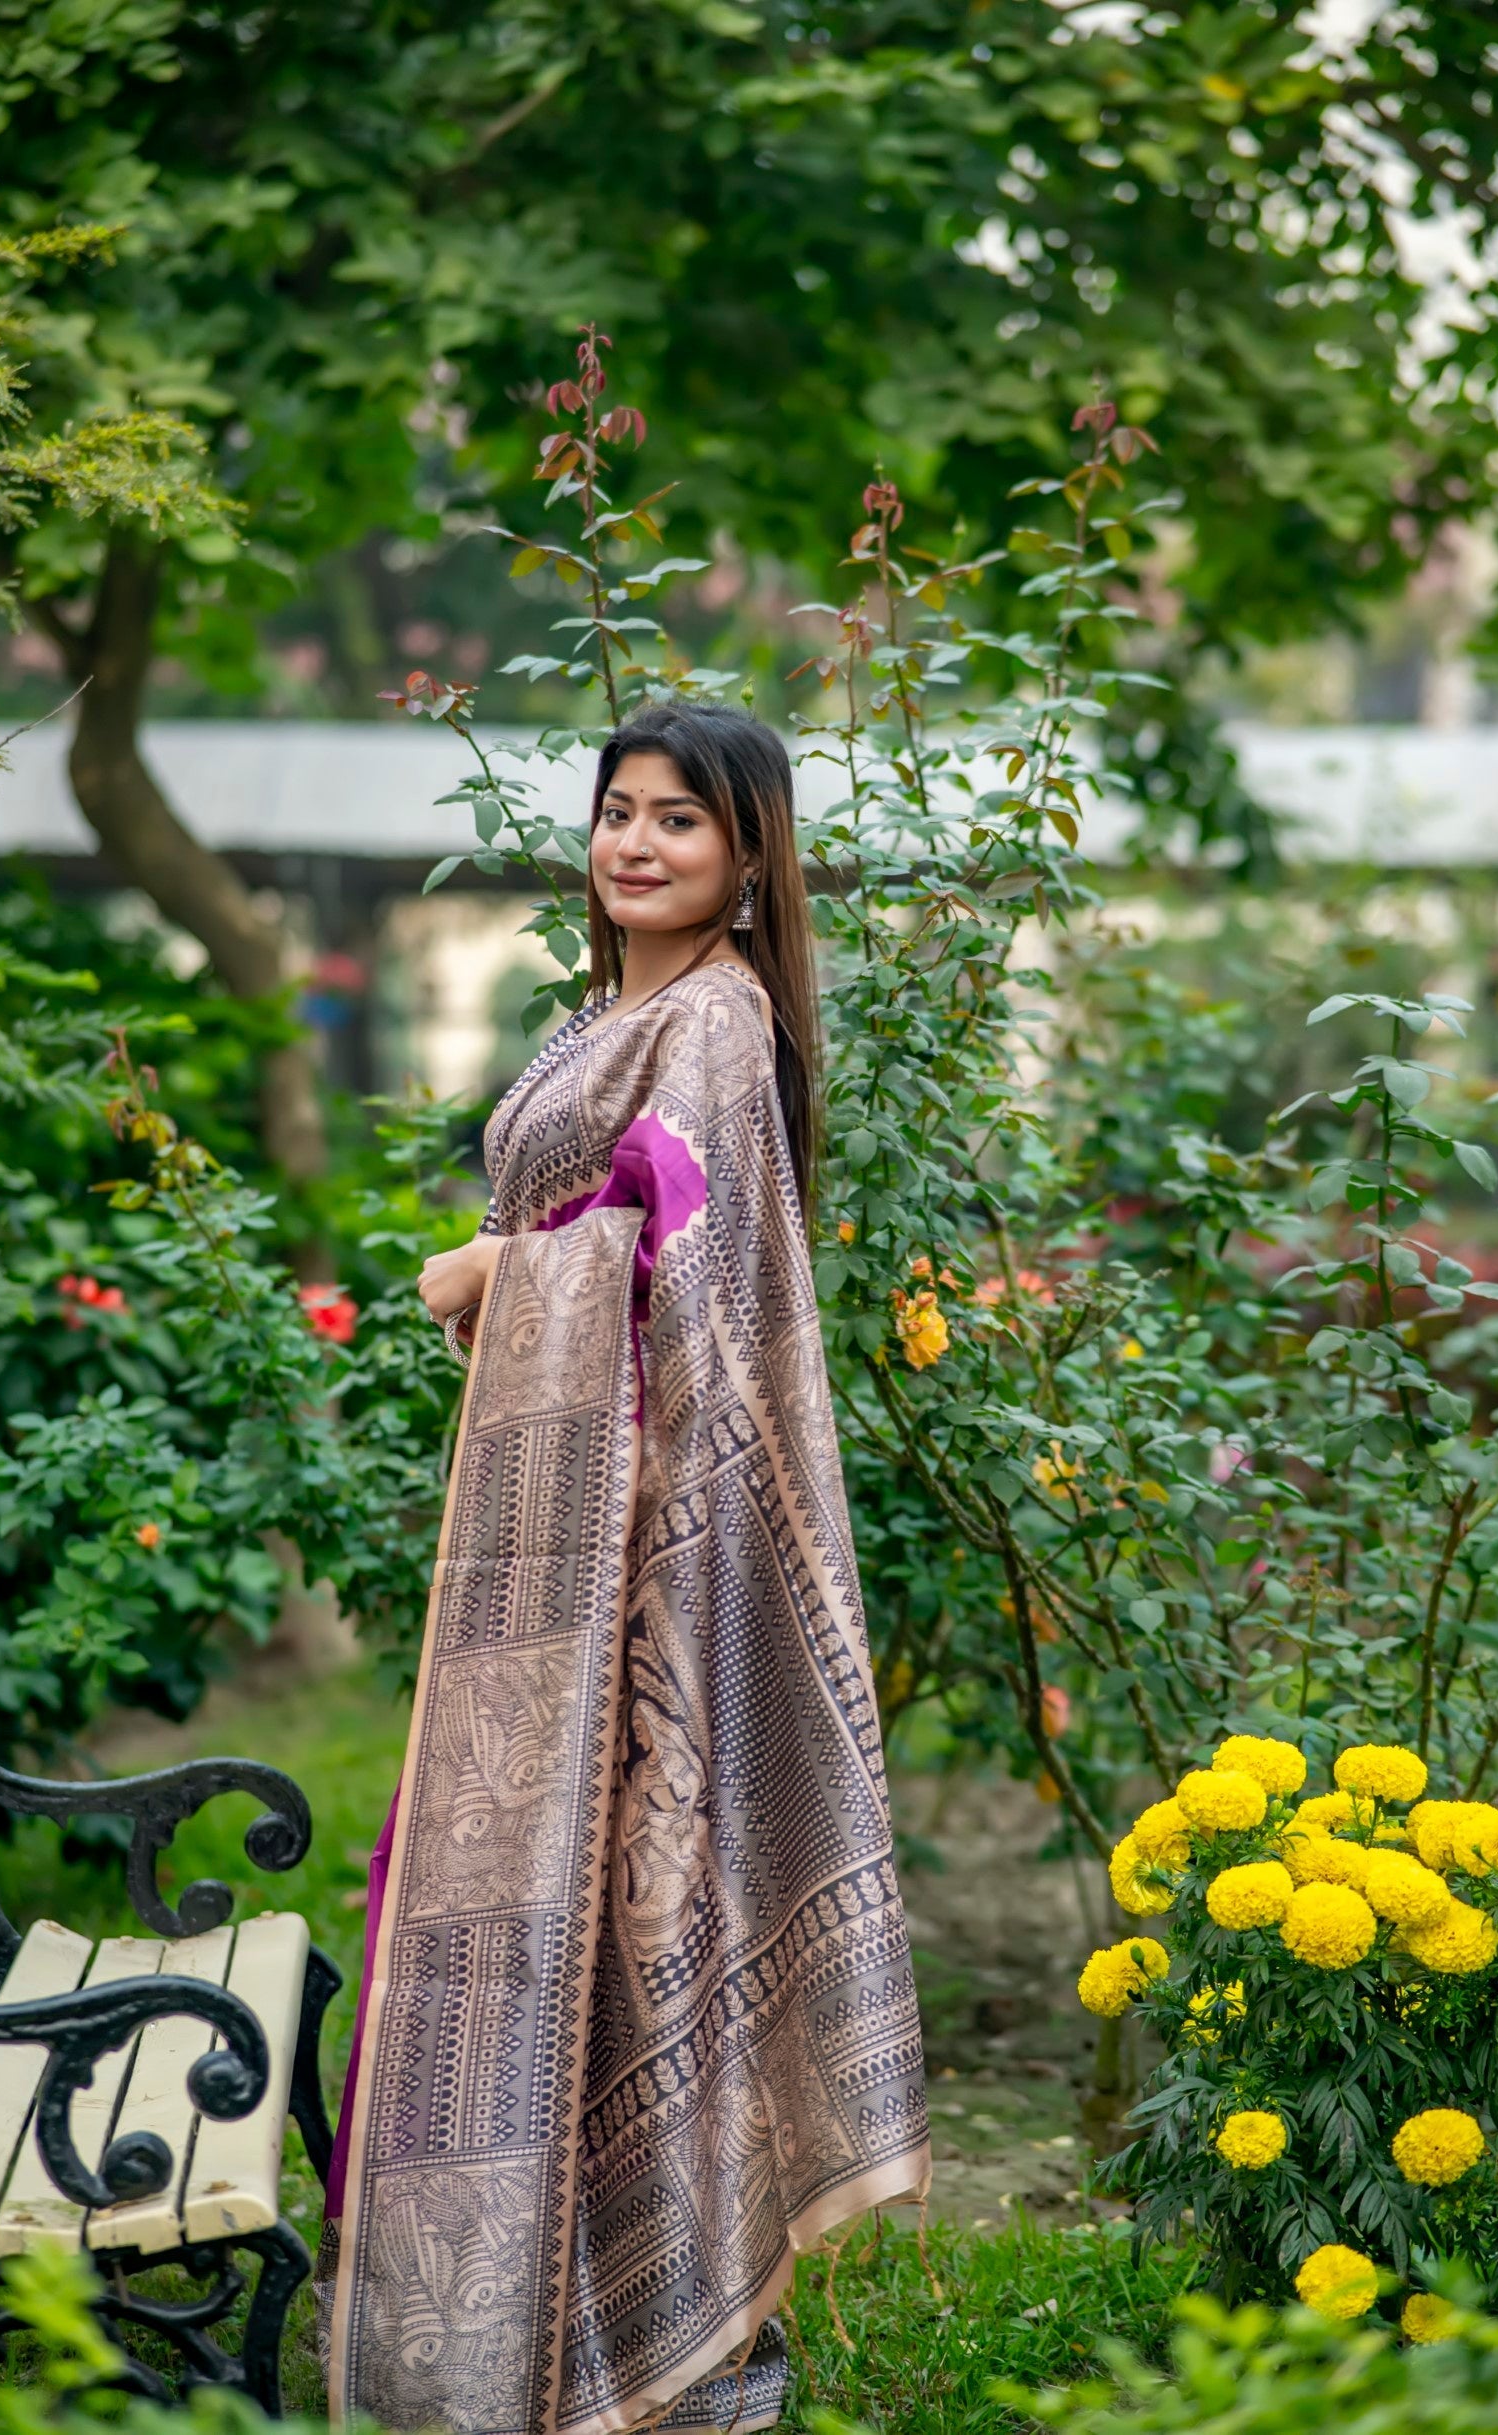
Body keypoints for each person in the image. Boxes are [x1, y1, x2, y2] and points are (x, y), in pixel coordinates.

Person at [320, 701, 931, 2435]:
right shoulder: (625, 1010)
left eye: (682, 820)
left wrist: (487, 1275)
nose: (639, 843)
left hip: (646, 1554)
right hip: (557, 1546)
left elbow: (677, 1269)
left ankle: (655, 2349)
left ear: (750, 861)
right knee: (536, 1920)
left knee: (626, 1914)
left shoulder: (720, 1023)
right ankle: (566, 2321)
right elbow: (607, 1236)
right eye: (618, 813)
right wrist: (521, 1272)